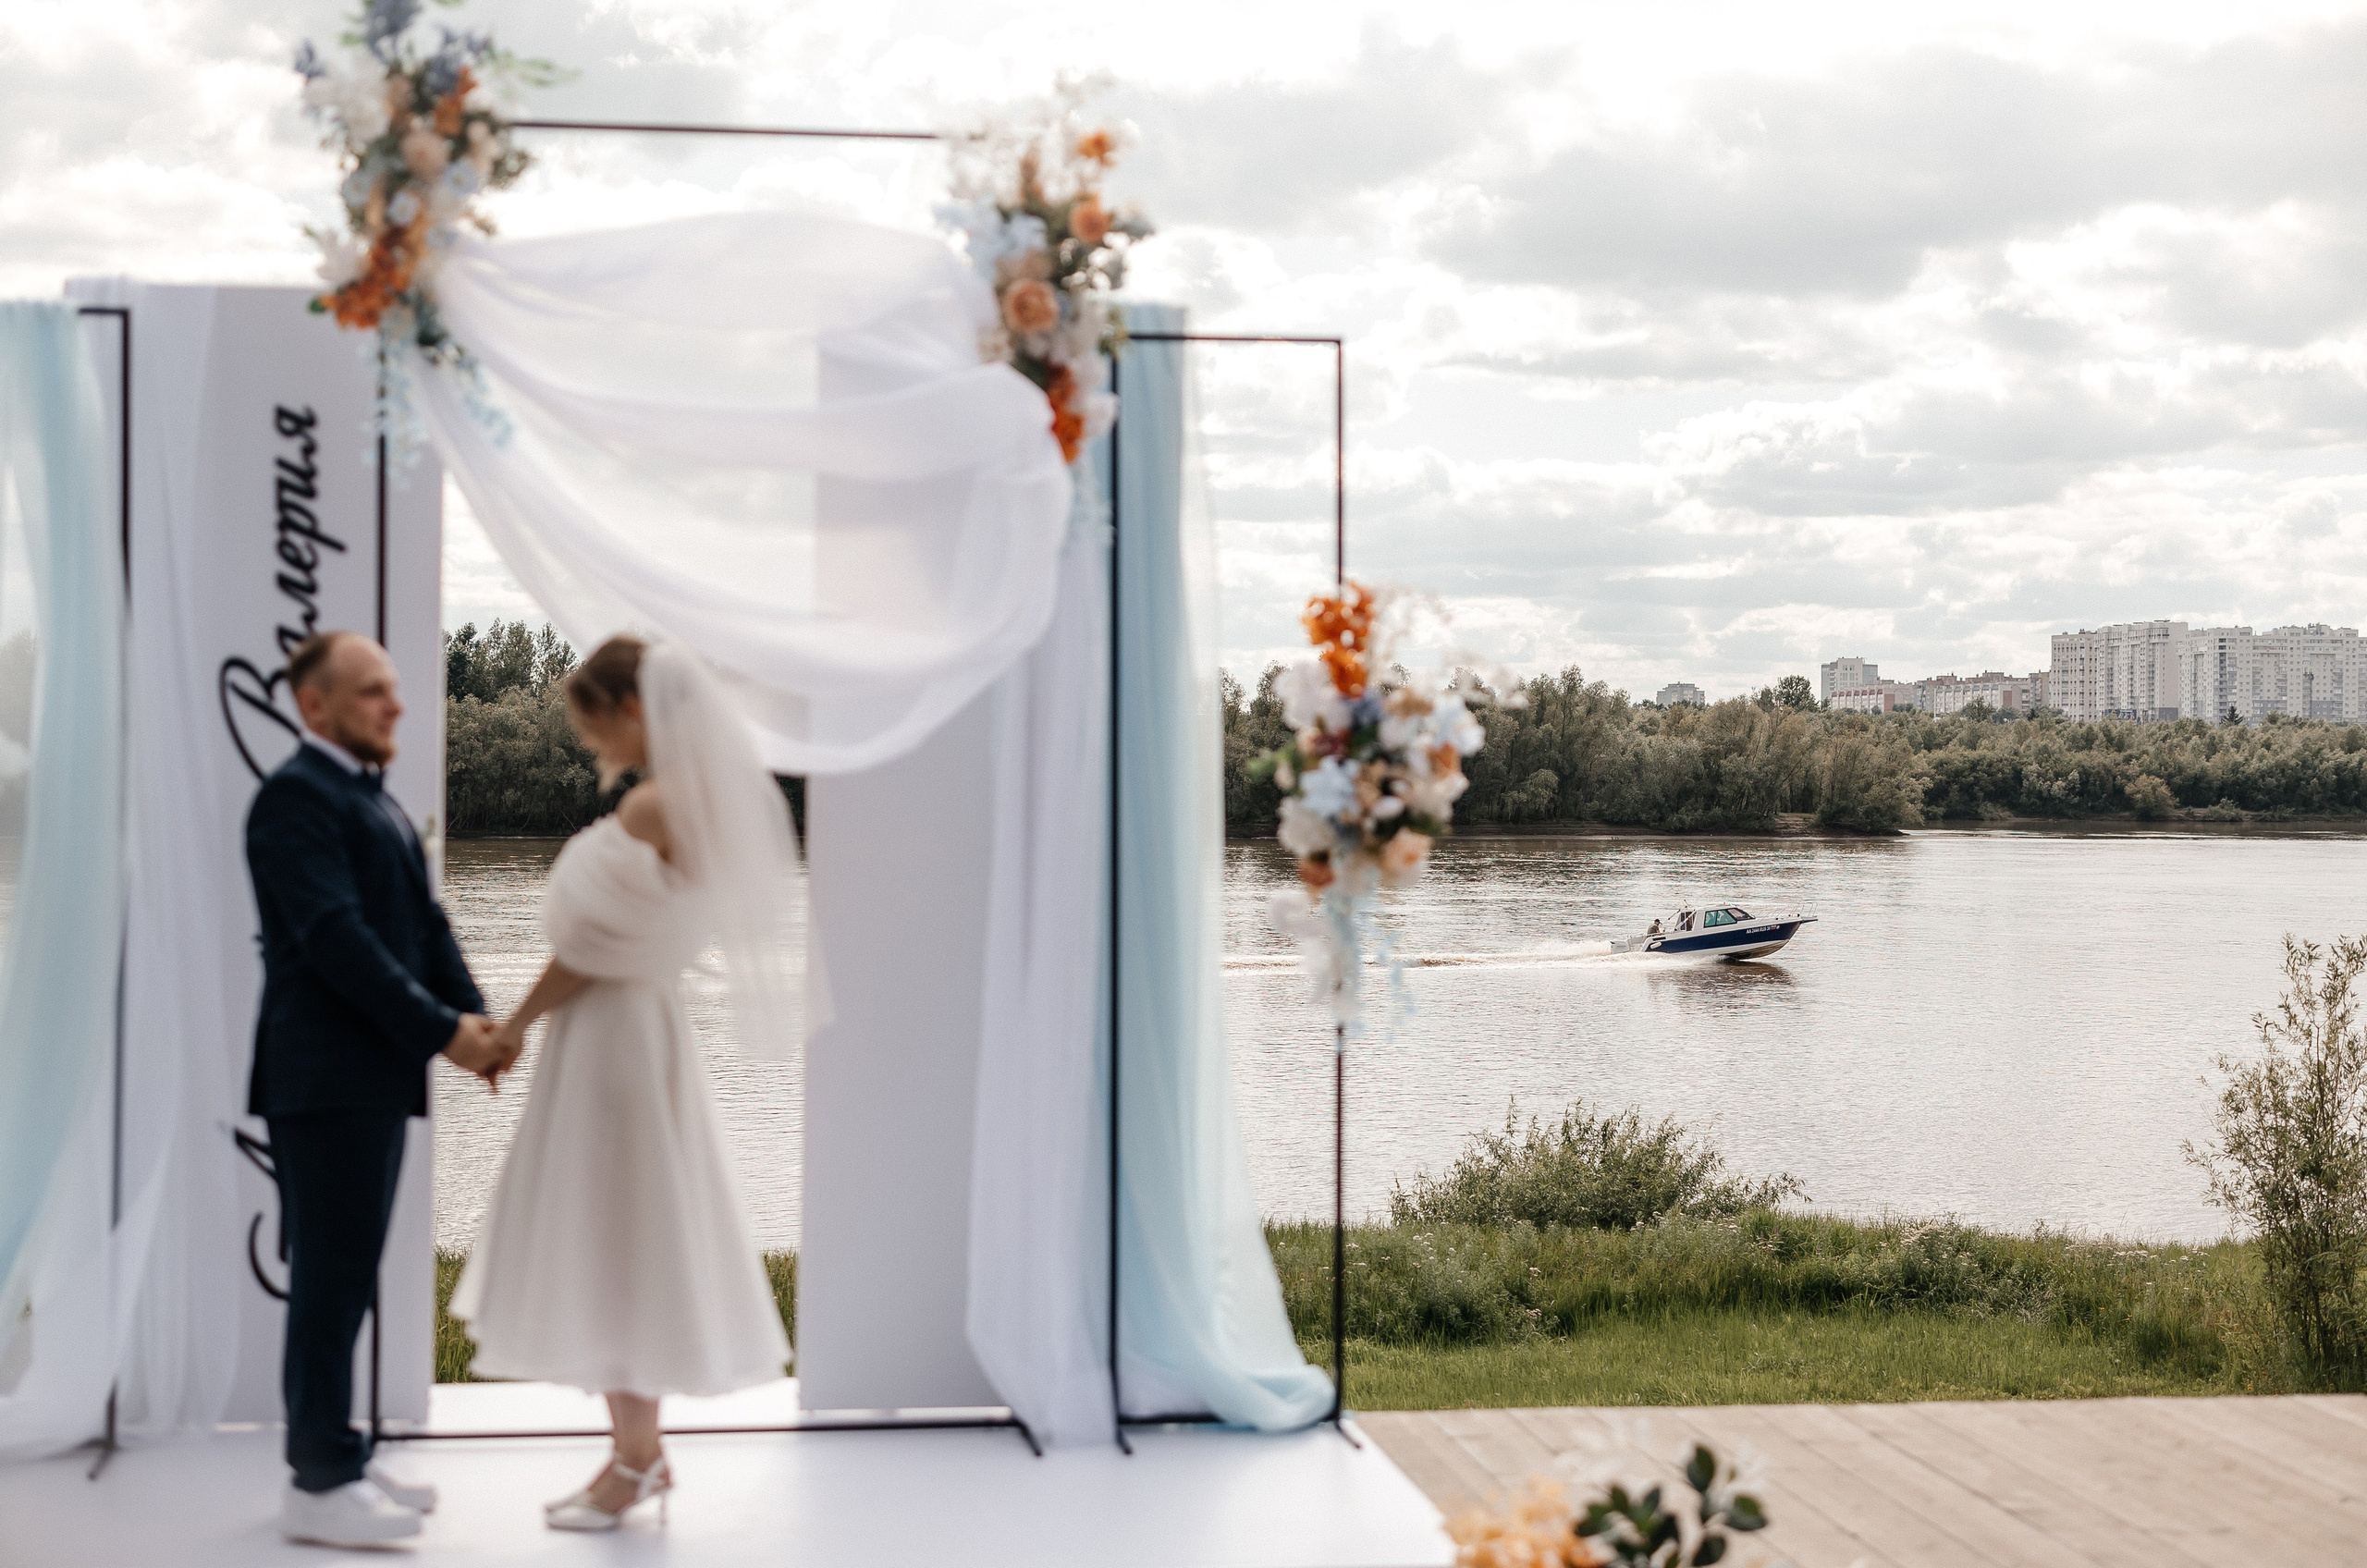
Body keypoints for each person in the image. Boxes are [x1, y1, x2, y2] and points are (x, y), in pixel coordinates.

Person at [450, 635, 795, 1532]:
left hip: (610, 1038)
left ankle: (636, 1458)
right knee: (628, 1235)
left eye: (591, 721)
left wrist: (509, 1028)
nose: (588, 741)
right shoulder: (701, 801)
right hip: (642, 1031)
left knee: (613, 1236)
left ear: (632, 708)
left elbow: (584, 953)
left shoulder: (655, 807)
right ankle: (635, 1454)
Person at [245, 631, 501, 1549]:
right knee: (327, 1278)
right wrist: (444, 1033)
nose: (394, 704)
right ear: (313, 705)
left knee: (347, 1275)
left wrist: (476, 1020)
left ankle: (340, 1454)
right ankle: (315, 1482)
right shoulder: (291, 801)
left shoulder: (369, 797)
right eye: (371, 692)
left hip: (368, 1078)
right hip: (321, 1080)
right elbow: (337, 940)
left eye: (394, 689)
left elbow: (421, 922)